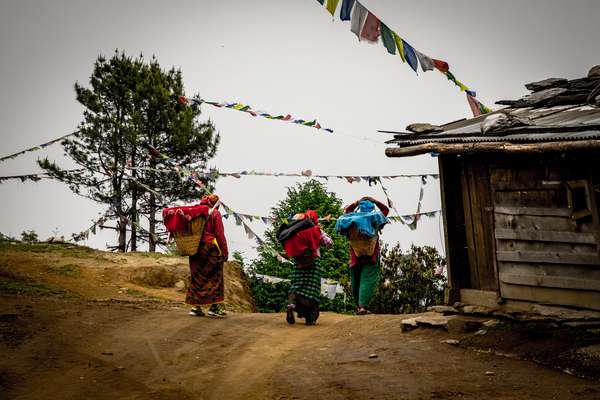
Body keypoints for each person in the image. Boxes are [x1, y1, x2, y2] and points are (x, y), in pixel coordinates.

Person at [285, 210, 333, 326]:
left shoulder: (295, 230)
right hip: (313, 262)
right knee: (312, 289)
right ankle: (310, 317)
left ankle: (291, 304)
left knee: (296, 285)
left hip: (298, 262)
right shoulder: (316, 230)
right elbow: (329, 243)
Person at [343, 196, 389, 315]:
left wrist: (356, 202)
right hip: (371, 255)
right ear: (372, 208)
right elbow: (386, 211)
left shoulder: (352, 218)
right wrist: (376, 200)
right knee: (368, 280)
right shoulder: (375, 217)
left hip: (355, 255)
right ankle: (363, 307)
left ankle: (358, 307)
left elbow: (347, 211)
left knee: (356, 280)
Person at [187, 194, 229, 317]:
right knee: (214, 277)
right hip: (210, 249)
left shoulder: (195, 211)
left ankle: (196, 307)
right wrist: (225, 252)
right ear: (216, 204)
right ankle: (214, 308)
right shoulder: (215, 213)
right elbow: (220, 235)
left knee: (197, 277)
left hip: (194, 247)